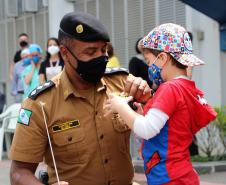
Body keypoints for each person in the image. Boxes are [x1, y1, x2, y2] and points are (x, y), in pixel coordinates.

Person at [9, 12, 151, 185]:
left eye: (103, 50)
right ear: (65, 53)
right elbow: (19, 173)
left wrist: (147, 101)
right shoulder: (40, 104)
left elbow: (160, 133)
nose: (100, 57)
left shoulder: (123, 84)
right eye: (90, 52)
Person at [104, 23, 217, 185]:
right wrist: (143, 114)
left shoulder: (170, 88)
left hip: (168, 177)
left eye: (149, 61)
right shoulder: (187, 88)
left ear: (163, 58)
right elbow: (168, 128)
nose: (149, 67)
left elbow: (147, 130)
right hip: (181, 174)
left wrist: (120, 106)